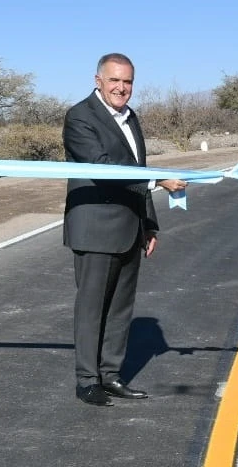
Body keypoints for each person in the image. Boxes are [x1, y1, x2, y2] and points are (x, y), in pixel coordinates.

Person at [63, 52, 187, 406]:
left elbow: (137, 167)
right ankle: (88, 380)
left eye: (127, 81)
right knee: (92, 307)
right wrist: (159, 180)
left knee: (120, 308)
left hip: (130, 229)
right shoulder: (80, 117)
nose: (121, 88)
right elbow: (103, 167)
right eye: (114, 80)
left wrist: (148, 223)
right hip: (95, 228)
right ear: (98, 80)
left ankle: (111, 374)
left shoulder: (132, 119)